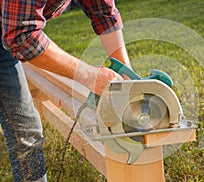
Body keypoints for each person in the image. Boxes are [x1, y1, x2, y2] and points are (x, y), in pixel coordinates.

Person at [0, 0, 131, 181]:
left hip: (9, 27)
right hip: (11, 32)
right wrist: (90, 76)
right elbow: (23, 37)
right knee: (25, 129)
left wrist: (127, 76)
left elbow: (103, 12)